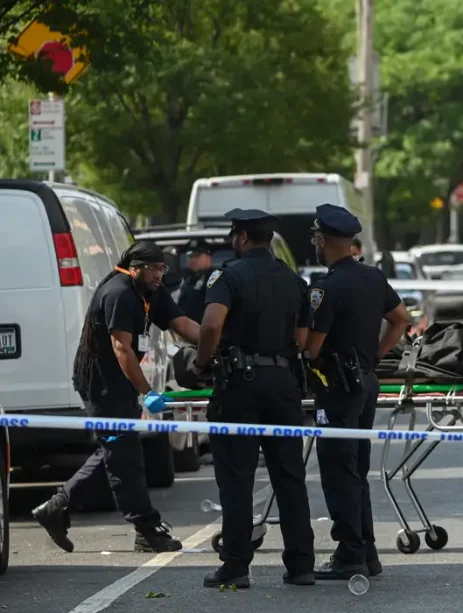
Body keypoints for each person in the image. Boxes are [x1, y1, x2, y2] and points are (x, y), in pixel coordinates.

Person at [33, 242, 200, 554]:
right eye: (152, 269)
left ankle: (58, 507)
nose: (158, 275)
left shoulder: (150, 291)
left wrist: (216, 342)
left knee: (118, 449)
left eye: (162, 269)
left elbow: (182, 325)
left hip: (121, 383)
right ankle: (146, 527)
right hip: (102, 383)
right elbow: (121, 347)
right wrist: (147, 392)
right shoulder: (119, 292)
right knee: (123, 454)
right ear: (133, 267)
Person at [190, 208, 316, 589]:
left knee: (237, 478)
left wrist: (201, 363)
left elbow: (211, 324)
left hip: (239, 385)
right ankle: (301, 564)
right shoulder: (294, 281)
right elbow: (304, 339)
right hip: (283, 382)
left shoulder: (228, 276)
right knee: (289, 476)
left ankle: (236, 566)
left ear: (242, 238)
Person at [303, 203, 411, 581]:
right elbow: (402, 320)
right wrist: (375, 355)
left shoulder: (325, 287)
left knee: (337, 470)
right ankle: (366, 551)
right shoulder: (373, 278)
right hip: (366, 382)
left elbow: (312, 348)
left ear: (323, 240)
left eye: (316, 240)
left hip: (337, 389)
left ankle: (350, 553)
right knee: (357, 470)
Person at [176, 239, 216, 324]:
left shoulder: (216, 279)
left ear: (209, 257)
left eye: (197, 256)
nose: (193, 260)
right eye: (190, 256)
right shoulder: (187, 279)